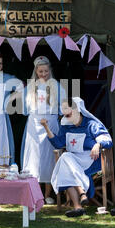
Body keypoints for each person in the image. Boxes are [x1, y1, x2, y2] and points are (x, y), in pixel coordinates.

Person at [40, 97, 112, 217]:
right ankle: (80, 197)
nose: (63, 112)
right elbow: (58, 143)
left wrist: (98, 144)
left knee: (65, 161)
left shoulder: (91, 124)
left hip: (90, 160)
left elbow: (107, 140)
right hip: (73, 159)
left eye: (66, 108)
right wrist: (46, 128)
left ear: (76, 109)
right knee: (66, 158)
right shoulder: (66, 126)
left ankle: (78, 204)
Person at [21, 56, 66, 204]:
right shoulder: (30, 87)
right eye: (40, 71)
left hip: (50, 122)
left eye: (46, 71)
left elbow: (63, 106)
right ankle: (34, 193)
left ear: (49, 70)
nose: (43, 74)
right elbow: (25, 108)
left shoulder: (57, 86)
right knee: (34, 156)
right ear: (36, 71)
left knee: (49, 156)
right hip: (34, 123)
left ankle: (48, 194)